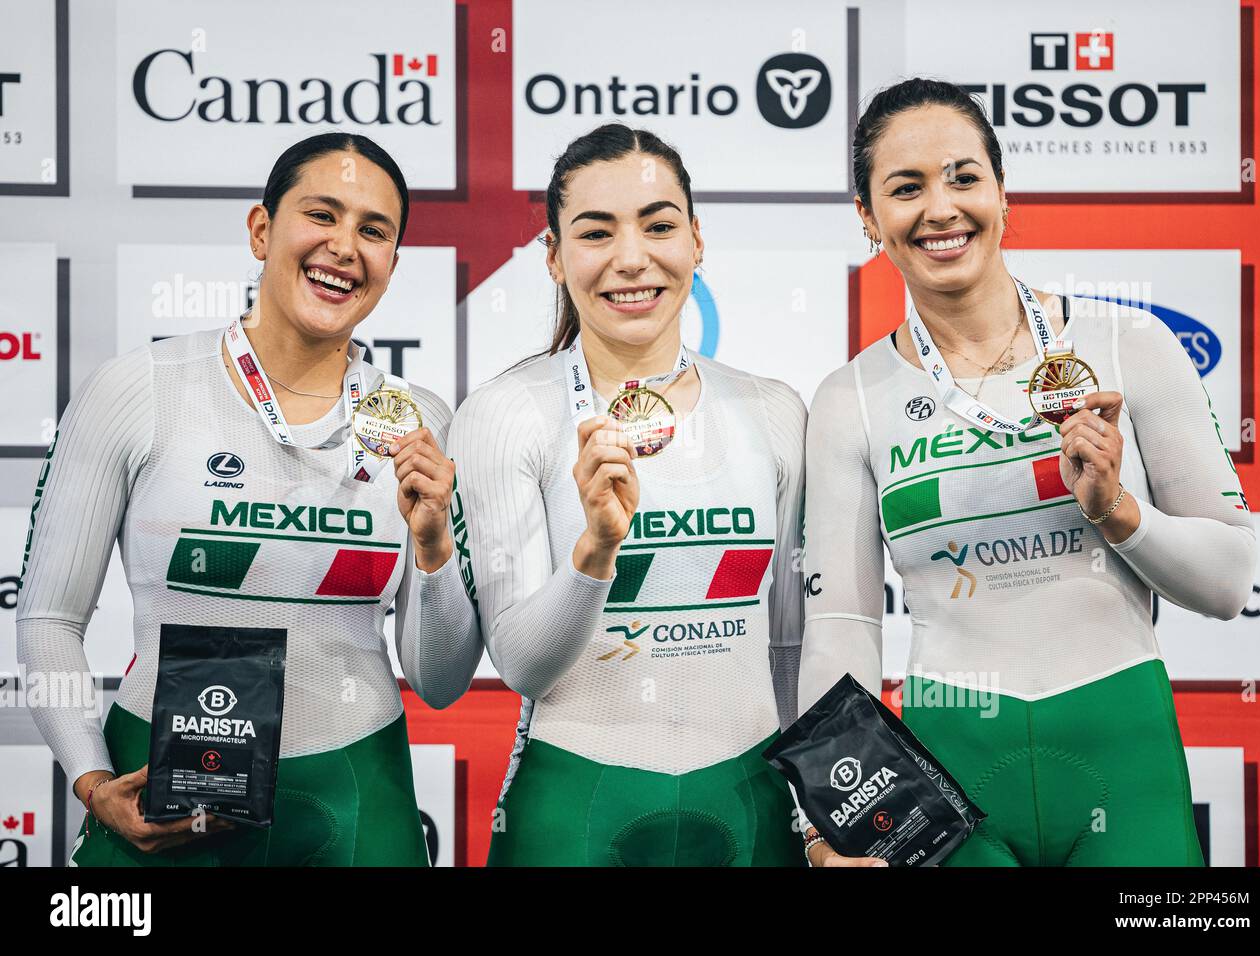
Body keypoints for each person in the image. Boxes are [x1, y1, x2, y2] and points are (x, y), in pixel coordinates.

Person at [798, 79, 1256, 867]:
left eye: (963, 178)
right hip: (949, 778)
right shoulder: (850, 400)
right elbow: (844, 627)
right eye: (906, 189)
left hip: (1125, 757)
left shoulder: (1129, 344)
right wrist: (825, 824)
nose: (941, 208)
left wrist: (1118, 511)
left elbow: (1229, 582)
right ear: (870, 221)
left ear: (1002, 194)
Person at [15, 132, 482, 866]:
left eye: (373, 230)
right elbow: (47, 618)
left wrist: (433, 548)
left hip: (357, 797)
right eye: (321, 215)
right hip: (159, 793)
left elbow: (442, 680)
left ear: (393, 260)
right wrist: (91, 779)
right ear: (262, 231)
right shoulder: (141, 387)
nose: (344, 247)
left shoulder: (422, 421)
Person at [449, 123, 807, 866]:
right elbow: (520, 663)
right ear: (553, 256)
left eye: (658, 225)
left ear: (697, 241)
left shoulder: (772, 411)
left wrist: (818, 812)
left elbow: (791, 646)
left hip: (753, 804)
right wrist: (596, 552)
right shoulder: (505, 413)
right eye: (596, 232)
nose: (631, 258)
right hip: (574, 813)